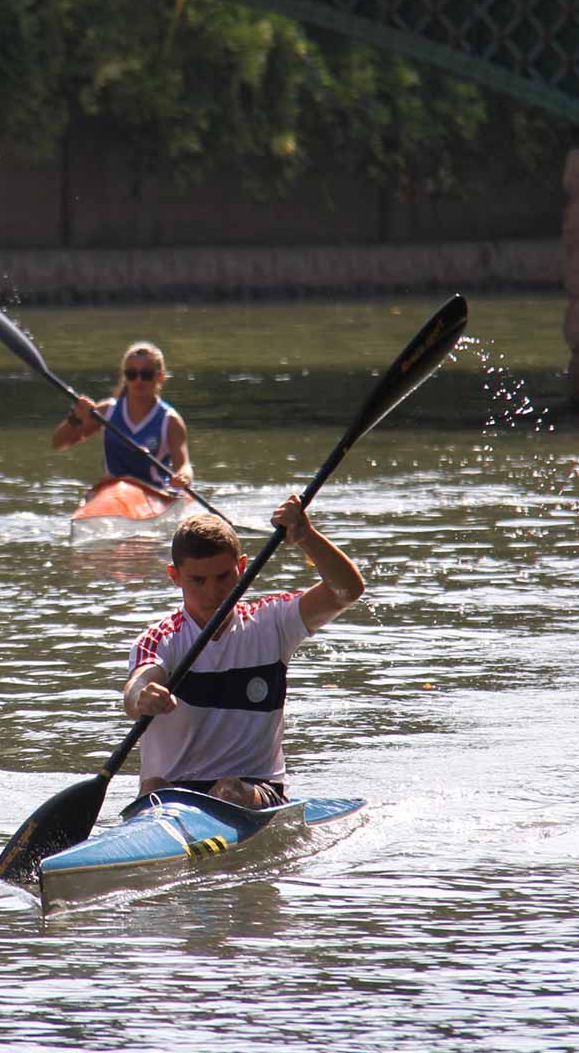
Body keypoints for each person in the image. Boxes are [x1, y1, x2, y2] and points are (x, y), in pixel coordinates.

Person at [123, 496, 365, 809]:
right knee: (154, 787)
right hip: (169, 792)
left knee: (229, 789)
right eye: (197, 580)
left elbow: (346, 590)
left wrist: (307, 537)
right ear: (175, 576)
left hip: (254, 789)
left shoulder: (274, 622)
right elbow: (137, 686)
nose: (212, 593)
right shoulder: (161, 639)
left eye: (223, 577)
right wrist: (142, 697)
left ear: (242, 568)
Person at [51, 340, 193, 490]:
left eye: (146, 374)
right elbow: (58, 443)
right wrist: (75, 417)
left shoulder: (170, 420)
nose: (138, 380)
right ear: (125, 376)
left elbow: (184, 465)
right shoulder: (106, 411)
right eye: (132, 374)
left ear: (160, 377)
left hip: (153, 494)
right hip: (111, 491)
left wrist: (183, 477)